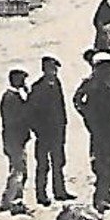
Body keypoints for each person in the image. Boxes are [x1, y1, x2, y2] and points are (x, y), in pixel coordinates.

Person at [72, 52, 110, 210]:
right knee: (101, 161)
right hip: (100, 128)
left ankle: (107, 193)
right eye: (105, 67)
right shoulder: (91, 83)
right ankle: (99, 198)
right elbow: (77, 100)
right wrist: (88, 116)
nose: (109, 69)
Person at [28, 55, 74, 205]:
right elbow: (32, 112)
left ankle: (59, 191)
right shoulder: (38, 87)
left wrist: (63, 125)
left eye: (55, 69)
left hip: (58, 130)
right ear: (44, 69)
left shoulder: (56, 84)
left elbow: (61, 107)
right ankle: (41, 194)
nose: (53, 71)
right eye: (50, 68)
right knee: (43, 165)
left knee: (59, 162)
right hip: (44, 132)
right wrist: (38, 130)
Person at [0, 68, 32, 215]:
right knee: (19, 171)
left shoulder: (13, 96)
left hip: (14, 138)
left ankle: (8, 200)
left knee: (17, 169)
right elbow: (16, 119)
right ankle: (14, 201)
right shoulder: (11, 97)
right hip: (14, 138)